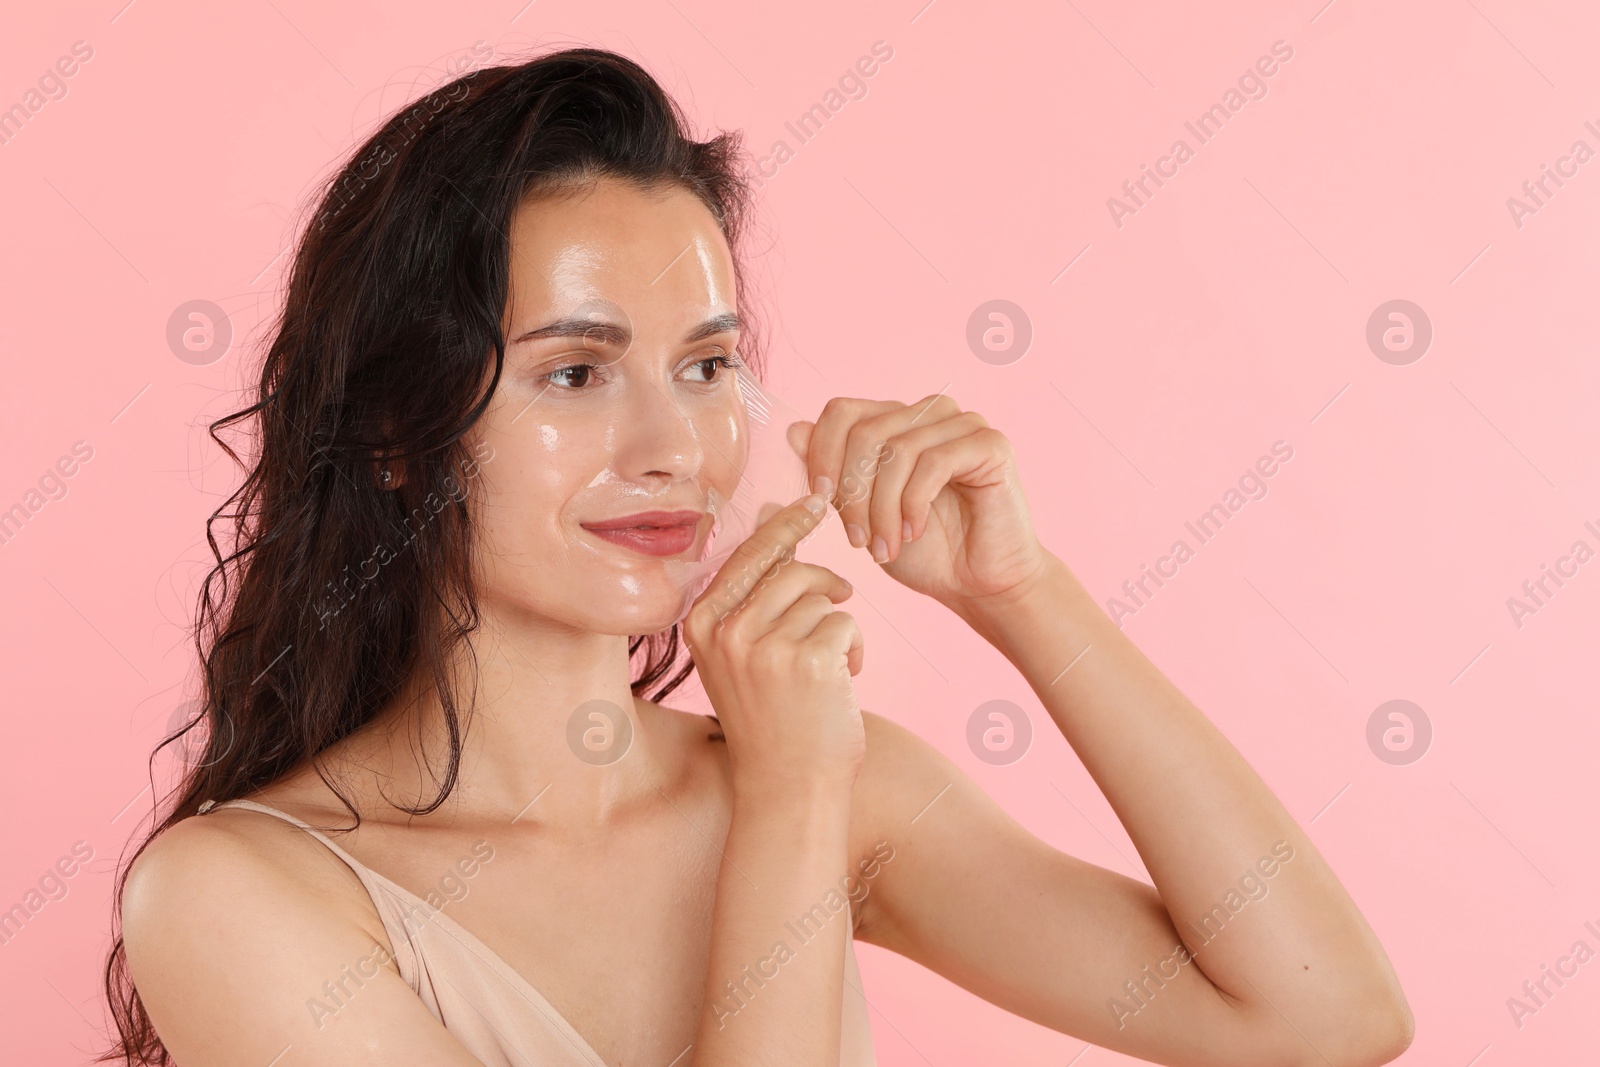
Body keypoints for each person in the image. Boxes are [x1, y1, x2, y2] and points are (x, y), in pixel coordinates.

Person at [101, 47, 1413, 1067]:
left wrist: (1020, 593)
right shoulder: (233, 899)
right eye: (574, 370)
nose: (676, 444)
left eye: (709, 364)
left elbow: (1321, 1016)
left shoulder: (834, 781)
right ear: (396, 427)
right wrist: (790, 813)